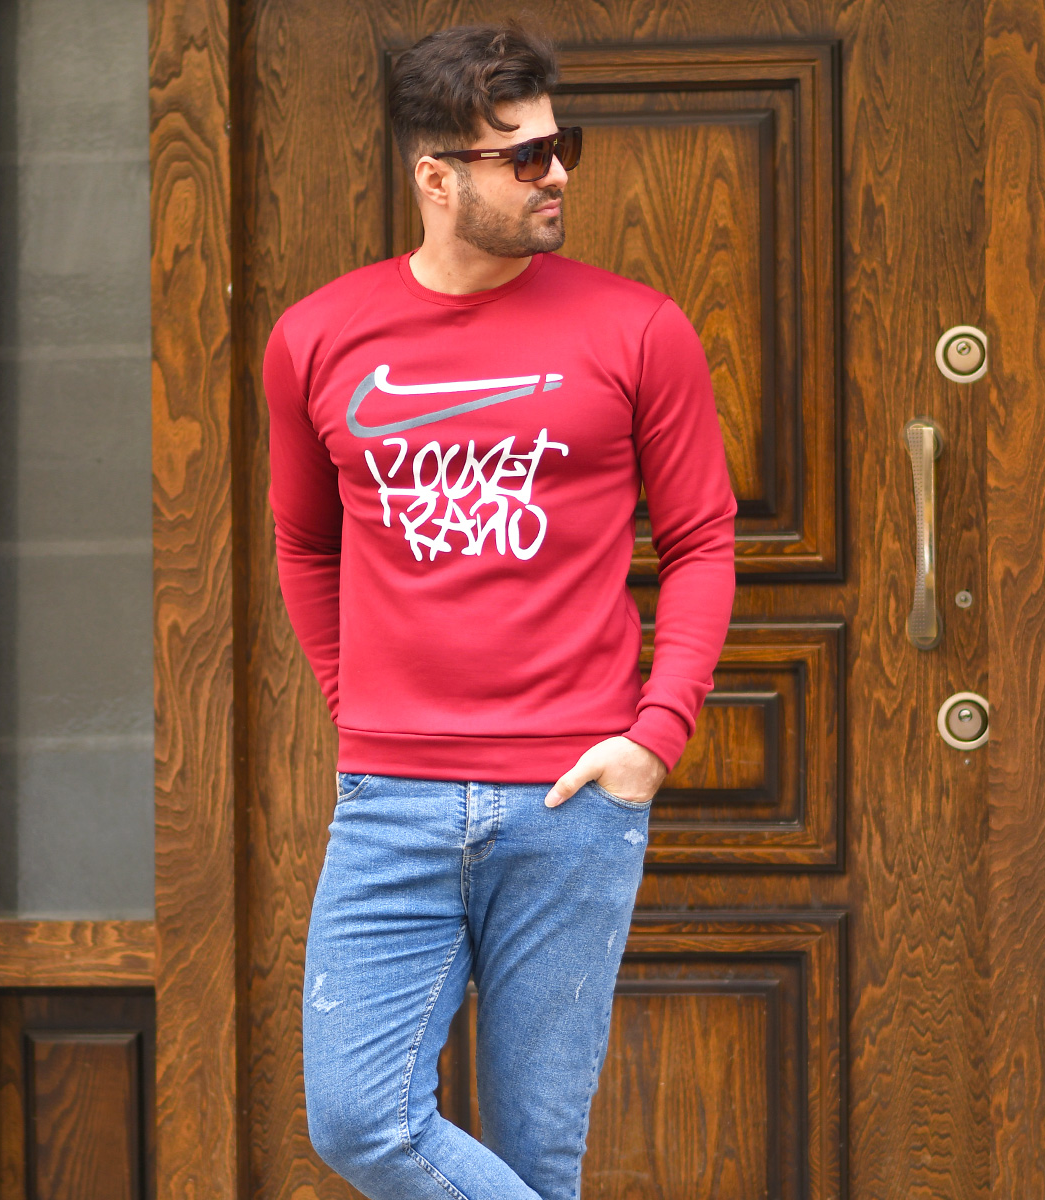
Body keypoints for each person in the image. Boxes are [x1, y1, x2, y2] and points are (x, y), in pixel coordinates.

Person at [262, 20, 736, 1200]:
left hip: (571, 799)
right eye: (523, 156)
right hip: (391, 799)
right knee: (362, 1121)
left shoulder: (639, 330)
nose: (557, 172)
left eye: (561, 145)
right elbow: (305, 543)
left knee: (536, 1156)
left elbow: (700, 541)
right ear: (437, 177)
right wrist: (360, 704)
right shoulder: (317, 337)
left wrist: (655, 736)